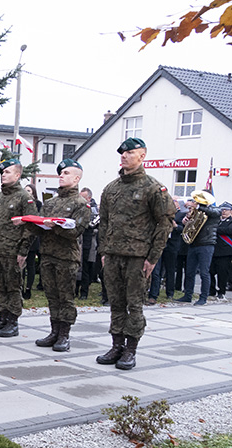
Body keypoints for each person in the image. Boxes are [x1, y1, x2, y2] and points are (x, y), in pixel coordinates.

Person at [96, 137, 174, 370]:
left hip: (138, 257)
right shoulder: (111, 188)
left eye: (130, 153)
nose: (124, 156)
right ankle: (116, 345)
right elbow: (104, 223)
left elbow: (164, 223)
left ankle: (131, 349)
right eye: (122, 153)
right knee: (116, 303)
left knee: (134, 304)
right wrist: (103, 251)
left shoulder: (153, 188)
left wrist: (152, 258)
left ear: (143, 156)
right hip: (112, 255)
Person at [18, 159, 90, 352]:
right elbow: (40, 229)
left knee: (65, 297)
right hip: (48, 254)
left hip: (66, 257)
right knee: (51, 296)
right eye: (61, 173)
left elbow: (76, 231)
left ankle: (64, 335)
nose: (61, 175)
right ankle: (54, 331)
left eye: (66, 173)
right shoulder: (51, 202)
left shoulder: (81, 204)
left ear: (77, 178)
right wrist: (28, 222)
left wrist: (56, 227)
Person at [0, 159, 37, 337]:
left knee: (13, 286)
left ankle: (13, 321)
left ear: (17, 175)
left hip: (13, 251)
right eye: (3, 172)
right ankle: (3, 318)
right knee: (0, 285)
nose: (3, 175)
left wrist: (23, 251)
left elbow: (31, 226)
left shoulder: (24, 197)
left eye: (7, 172)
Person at [176, 190, 220, 305]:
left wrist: (198, 206)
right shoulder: (197, 211)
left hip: (206, 245)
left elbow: (213, 213)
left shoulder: (215, 210)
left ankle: (203, 297)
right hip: (193, 244)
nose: (196, 202)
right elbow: (191, 226)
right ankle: (188, 295)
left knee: (204, 273)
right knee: (189, 272)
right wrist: (187, 222)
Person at [147, 196, 182, 304]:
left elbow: (182, 230)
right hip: (160, 244)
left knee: (170, 269)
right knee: (156, 271)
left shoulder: (181, 215)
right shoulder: (161, 214)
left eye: (174, 201)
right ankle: (153, 294)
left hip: (172, 245)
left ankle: (170, 292)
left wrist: (175, 225)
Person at [77, 187, 99, 300]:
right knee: (77, 267)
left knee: (85, 267)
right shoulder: (78, 207)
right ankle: (75, 290)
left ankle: (84, 292)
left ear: (89, 198)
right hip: (78, 241)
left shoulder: (94, 210)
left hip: (88, 242)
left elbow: (91, 225)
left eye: (83, 197)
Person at [22, 183, 42, 299]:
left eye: (29, 191)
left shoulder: (38, 204)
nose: (27, 193)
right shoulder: (22, 203)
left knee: (30, 264)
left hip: (33, 237)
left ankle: (28, 288)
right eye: (25, 190)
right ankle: (21, 286)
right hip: (22, 236)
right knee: (21, 265)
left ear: (33, 192)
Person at [210, 201, 232, 299]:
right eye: (222, 209)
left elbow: (228, 230)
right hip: (213, 250)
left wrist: (215, 229)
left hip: (225, 252)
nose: (223, 211)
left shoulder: (230, 221)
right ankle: (211, 290)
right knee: (210, 271)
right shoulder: (217, 220)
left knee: (222, 273)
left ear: (231, 211)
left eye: (226, 210)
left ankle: (221, 292)